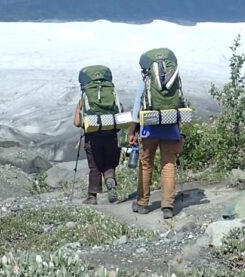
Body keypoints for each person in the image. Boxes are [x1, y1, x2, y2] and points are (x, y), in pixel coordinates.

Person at [132, 48, 184, 219]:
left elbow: (136, 109)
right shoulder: (175, 80)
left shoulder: (146, 81)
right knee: (168, 165)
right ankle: (167, 206)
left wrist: (133, 129)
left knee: (146, 165)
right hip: (171, 128)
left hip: (149, 128)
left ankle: (142, 203)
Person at [72, 65, 123, 205]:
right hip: (111, 134)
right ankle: (110, 179)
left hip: (93, 137)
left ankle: (92, 196)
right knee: (109, 164)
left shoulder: (85, 97)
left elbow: (77, 122)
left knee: (94, 167)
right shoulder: (111, 93)